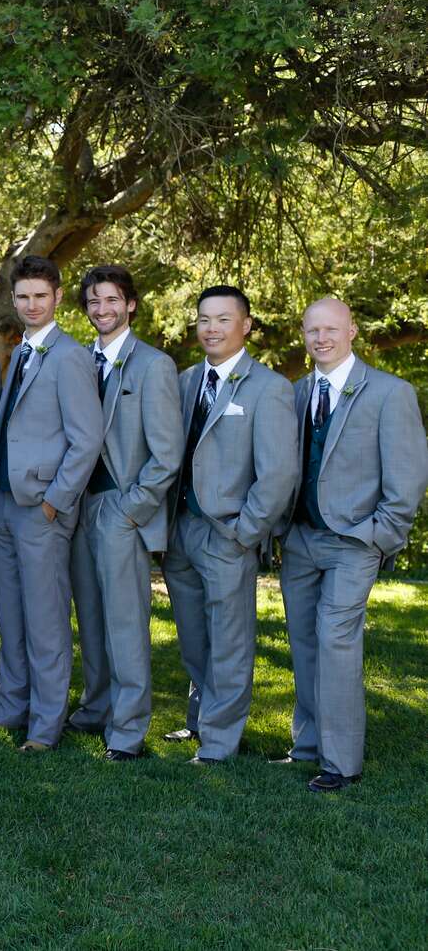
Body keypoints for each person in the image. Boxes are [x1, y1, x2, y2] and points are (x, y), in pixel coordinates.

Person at [273, 297, 428, 791]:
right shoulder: (295, 393)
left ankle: (341, 763)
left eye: (331, 329)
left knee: (337, 642)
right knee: (303, 642)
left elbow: (406, 482)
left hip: (354, 542)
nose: (321, 338)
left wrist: (376, 539)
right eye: (312, 330)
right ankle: (308, 745)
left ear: (353, 331)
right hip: (299, 539)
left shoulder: (389, 393)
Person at [0, 254, 103, 752]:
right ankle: (8, 710)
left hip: (40, 507)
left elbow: (87, 439)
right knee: (9, 614)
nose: (30, 305)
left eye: (39, 297)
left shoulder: (69, 356)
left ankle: (45, 726)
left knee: (45, 620)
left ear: (58, 298)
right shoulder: (21, 350)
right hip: (3, 503)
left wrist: (54, 502)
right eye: (22, 296)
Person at [161, 286, 296, 764]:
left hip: (229, 533)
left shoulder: (270, 388)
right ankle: (200, 718)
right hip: (180, 531)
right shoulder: (184, 382)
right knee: (193, 635)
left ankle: (220, 741)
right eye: (203, 319)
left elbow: (279, 472)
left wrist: (246, 530)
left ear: (246, 326)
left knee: (230, 641)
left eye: (222, 319)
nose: (211, 328)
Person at [64, 267, 183, 761]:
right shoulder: (76, 360)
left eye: (111, 300)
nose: (101, 309)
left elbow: (168, 453)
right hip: (78, 505)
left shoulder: (153, 365)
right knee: (89, 615)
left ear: (130, 305)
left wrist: (132, 509)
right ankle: (97, 707)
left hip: (120, 505)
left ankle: (129, 730)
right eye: (93, 301)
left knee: (125, 621)